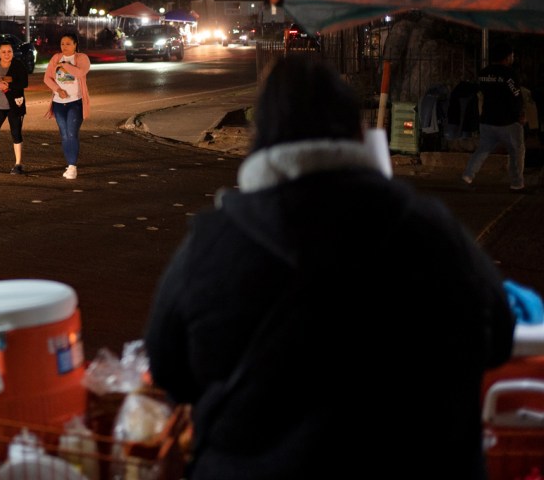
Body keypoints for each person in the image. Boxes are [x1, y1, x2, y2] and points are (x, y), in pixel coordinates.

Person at [144, 54, 514, 479]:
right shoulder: (430, 228)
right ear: (356, 132)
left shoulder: (211, 245)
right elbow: (498, 338)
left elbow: (170, 369)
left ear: (259, 139)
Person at [462, 42, 527, 191]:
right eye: (511, 55)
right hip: (508, 121)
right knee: (517, 151)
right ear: (506, 57)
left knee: (483, 149)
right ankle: (517, 182)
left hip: (487, 120)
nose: (513, 58)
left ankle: (468, 174)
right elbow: (515, 97)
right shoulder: (509, 75)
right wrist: (520, 115)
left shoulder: (484, 73)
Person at [43, 31, 91, 180]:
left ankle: (72, 166)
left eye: (68, 43)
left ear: (75, 45)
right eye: (62, 44)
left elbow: (80, 72)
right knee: (64, 135)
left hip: (75, 102)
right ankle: (69, 164)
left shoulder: (81, 58)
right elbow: (47, 78)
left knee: (72, 133)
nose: (64, 46)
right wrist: (58, 89)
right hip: (58, 103)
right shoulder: (56, 58)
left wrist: (64, 65)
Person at [0, 39, 30, 174]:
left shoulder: (18, 65)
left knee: (16, 132)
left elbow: (24, 83)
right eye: (3, 52)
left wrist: (9, 85)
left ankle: (18, 164)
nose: (7, 54)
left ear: (13, 53)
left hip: (15, 105)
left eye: (9, 51)